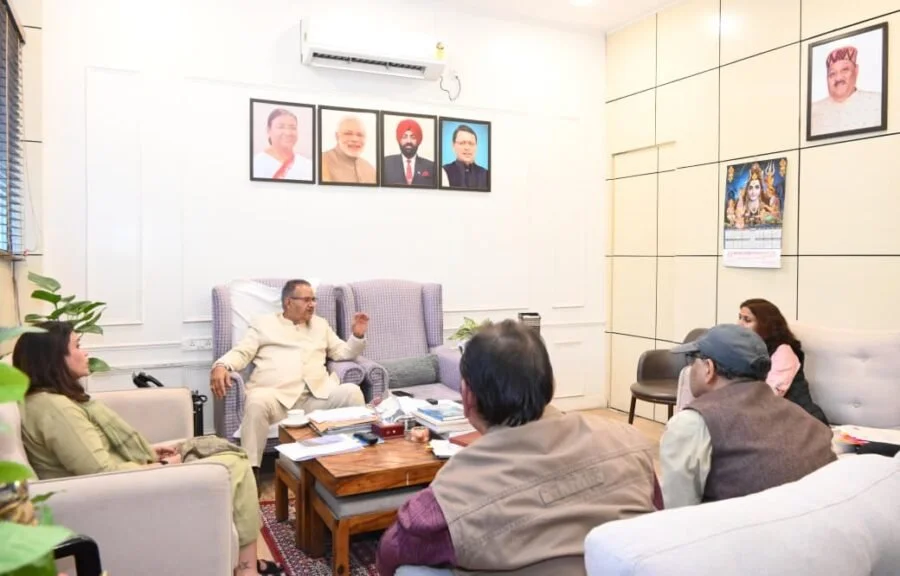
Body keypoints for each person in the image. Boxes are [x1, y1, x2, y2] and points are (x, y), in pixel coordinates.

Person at [377, 320, 661, 576]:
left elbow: (392, 551)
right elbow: (660, 521)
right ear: (551, 384)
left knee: (411, 571)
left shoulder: (454, 488)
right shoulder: (629, 441)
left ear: (467, 397)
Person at [14, 322, 282, 576]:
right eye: (77, 346)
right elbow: (102, 472)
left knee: (227, 455)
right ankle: (247, 568)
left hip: (120, 485)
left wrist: (152, 452)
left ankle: (245, 563)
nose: (86, 353)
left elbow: (94, 454)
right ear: (53, 358)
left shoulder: (50, 401)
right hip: (121, 494)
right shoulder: (55, 409)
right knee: (234, 465)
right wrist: (163, 465)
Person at [660, 324, 836, 510]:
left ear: (708, 369)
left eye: (692, 359)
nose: (689, 368)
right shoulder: (805, 419)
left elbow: (676, 514)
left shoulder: (692, 424)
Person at [210, 279, 369, 471]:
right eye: (306, 300)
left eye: (314, 299)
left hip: (316, 396)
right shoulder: (264, 324)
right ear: (288, 302)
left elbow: (342, 352)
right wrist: (222, 365)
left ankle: (358, 460)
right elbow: (242, 352)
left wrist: (357, 336)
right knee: (256, 402)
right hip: (276, 398)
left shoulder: (321, 325)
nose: (312, 304)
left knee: (352, 392)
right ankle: (251, 471)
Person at [738, 298, 829, 424]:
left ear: (765, 325)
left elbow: (768, 396)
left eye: (747, 320)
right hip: (768, 416)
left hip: (802, 421)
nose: (739, 324)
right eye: (740, 318)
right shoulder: (747, 349)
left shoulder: (783, 351)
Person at [810, 46, 882, 137]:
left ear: (856, 70)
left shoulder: (877, 101)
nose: (838, 78)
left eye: (844, 70)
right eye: (832, 74)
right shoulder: (813, 110)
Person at [252, 108, 313, 181]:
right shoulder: (255, 164)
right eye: (280, 127)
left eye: (293, 128)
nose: (288, 133)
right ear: (268, 130)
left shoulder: (308, 165)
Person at [321, 115, 377, 184]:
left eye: (360, 135)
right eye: (348, 133)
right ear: (337, 136)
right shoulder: (322, 161)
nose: (355, 139)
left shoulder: (370, 168)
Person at [382, 118, 435, 187]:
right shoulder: (385, 163)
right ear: (399, 139)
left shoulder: (431, 167)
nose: (409, 141)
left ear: (418, 140)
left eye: (413, 137)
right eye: (404, 137)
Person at [441, 124, 489, 190]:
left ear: (476, 146)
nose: (467, 148)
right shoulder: (444, 172)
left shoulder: (486, 174)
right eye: (462, 143)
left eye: (471, 143)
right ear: (453, 145)